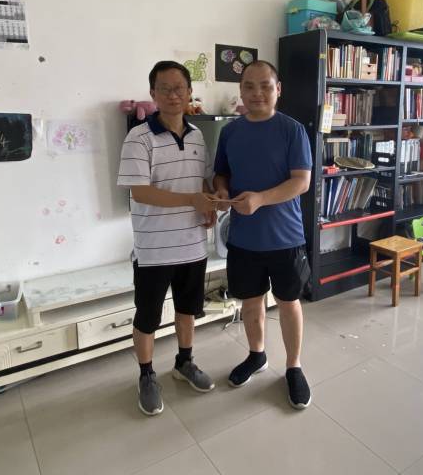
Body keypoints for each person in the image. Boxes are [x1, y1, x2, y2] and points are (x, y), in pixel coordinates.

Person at [117, 60, 219, 416]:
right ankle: (146, 375)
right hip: (154, 250)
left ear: (190, 92)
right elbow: (141, 192)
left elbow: (202, 180)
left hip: (193, 245)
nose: (173, 95)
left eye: (179, 88)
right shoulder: (138, 137)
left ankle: (184, 363)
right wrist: (192, 200)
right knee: (147, 317)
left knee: (187, 310)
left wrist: (208, 204)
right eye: (165, 89)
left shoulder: (198, 136)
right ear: (153, 94)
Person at [213, 60, 313, 409]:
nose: (257, 93)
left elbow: (301, 181)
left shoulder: (292, 130)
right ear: (240, 91)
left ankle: (293, 366)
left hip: (285, 237)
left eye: (265, 86)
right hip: (243, 238)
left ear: (278, 89)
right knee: (251, 302)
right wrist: (221, 191)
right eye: (249, 86)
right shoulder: (230, 132)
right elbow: (222, 174)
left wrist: (260, 199)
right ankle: (256, 355)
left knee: (288, 303)